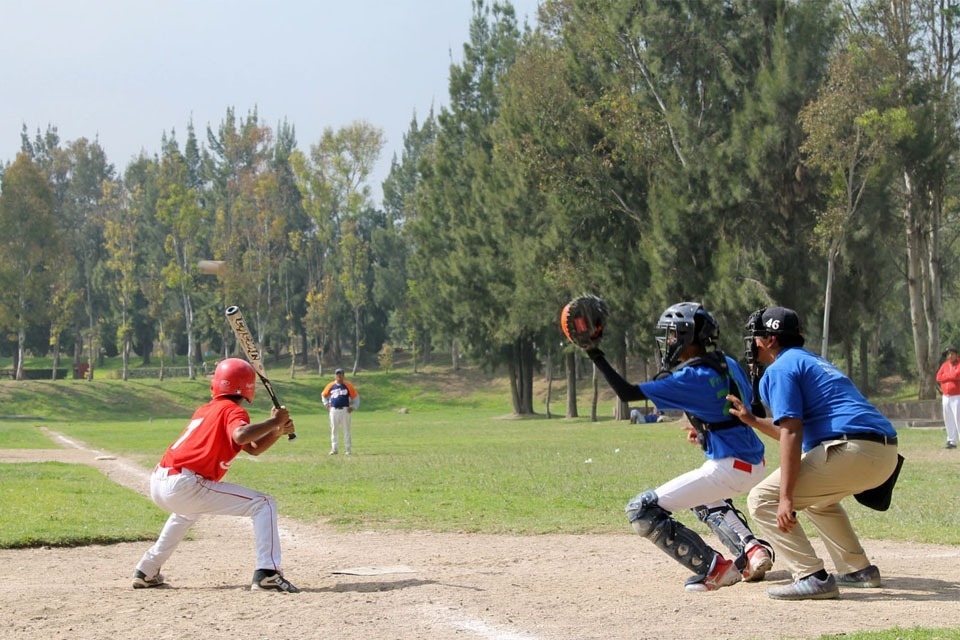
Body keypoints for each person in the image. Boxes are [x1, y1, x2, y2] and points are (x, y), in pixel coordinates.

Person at [578, 301, 773, 592]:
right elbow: (733, 409)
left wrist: (594, 352)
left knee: (641, 510)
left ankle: (714, 568)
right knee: (704, 499)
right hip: (754, 463)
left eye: (671, 335)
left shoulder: (692, 376)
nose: (668, 342)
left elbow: (627, 393)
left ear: (686, 336)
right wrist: (705, 430)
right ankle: (751, 549)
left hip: (730, 467)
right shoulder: (726, 362)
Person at [728, 306, 900, 601]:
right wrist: (753, 420)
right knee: (820, 501)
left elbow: (793, 433)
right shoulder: (812, 361)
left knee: (761, 499)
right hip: (884, 452)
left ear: (771, 339)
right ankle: (858, 569)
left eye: (756, 337)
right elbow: (793, 429)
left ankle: (811, 575)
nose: (752, 343)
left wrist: (785, 498)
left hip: (850, 449)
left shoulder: (780, 369)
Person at [131, 358, 299, 593]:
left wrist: (277, 430)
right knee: (264, 503)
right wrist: (273, 420)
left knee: (186, 514)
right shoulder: (233, 410)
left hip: (161, 480)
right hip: (185, 483)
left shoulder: (207, 409)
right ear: (248, 388)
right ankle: (267, 573)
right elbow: (241, 436)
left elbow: (252, 448)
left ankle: (147, 570)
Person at [322, 367, 359, 455]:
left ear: (343, 376)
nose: (339, 376)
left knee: (346, 430)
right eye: (338, 374)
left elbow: (355, 397)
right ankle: (334, 449)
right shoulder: (331, 385)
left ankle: (348, 449)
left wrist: (353, 407)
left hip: (345, 410)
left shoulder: (348, 385)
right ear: (335, 376)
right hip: (334, 410)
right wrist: (326, 404)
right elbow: (324, 395)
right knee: (334, 430)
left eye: (341, 374)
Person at [936, 346, 959, 449]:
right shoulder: (944, 365)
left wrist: (947, 377)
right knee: (948, 418)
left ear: (956, 354)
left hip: (957, 395)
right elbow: (938, 377)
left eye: (952, 353)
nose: (950, 356)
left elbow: (957, 375)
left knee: (958, 418)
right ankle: (951, 441)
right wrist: (950, 376)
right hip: (946, 396)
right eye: (948, 354)